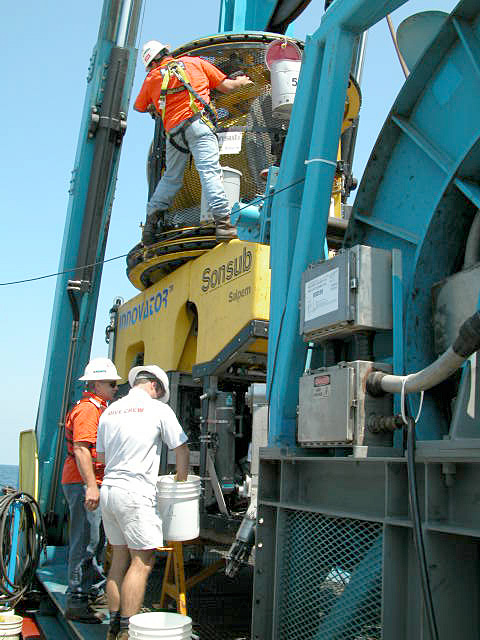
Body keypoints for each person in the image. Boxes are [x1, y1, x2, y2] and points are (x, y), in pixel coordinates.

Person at [96, 365, 189, 640]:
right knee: (143, 560)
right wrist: (179, 486)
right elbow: (181, 450)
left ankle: (112, 627)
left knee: (119, 558)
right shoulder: (158, 410)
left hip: (109, 492)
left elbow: (100, 457)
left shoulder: (110, 410)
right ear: (156, 387)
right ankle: (127, 631)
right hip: (135, 493)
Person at [134, 40, 252, 245]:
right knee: (209, 172)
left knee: (170, 178)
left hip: (174, 134)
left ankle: (150, 228)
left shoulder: (152, 77)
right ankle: (224, 225)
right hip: (199, 124)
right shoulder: (194, 63)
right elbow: (226, 86)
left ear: (152, 63)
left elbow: (140, 107)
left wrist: (157, 105)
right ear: (167, 52)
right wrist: (242, 81)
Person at [61, 357, 121, 623]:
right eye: (111, 383)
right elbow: (82, 449)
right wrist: (91, 487)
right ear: (97, 384)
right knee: (85, 541)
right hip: (82, 481)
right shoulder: (88, 411)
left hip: (85, 481)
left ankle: (92, 591)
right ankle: (76, 599)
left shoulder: (98, 408)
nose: (116, 387)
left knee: (94, 540)